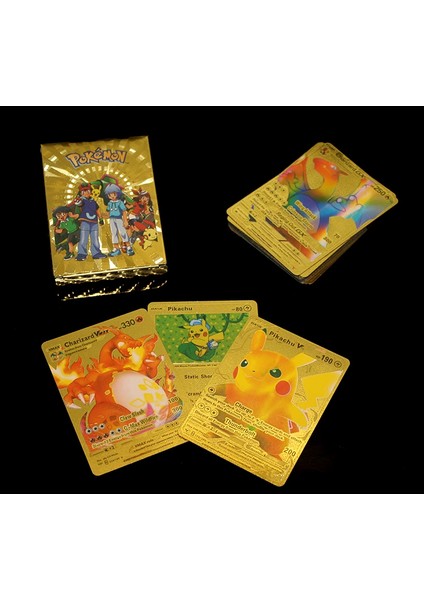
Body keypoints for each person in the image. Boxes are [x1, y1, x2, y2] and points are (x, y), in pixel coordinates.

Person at [75, 183, 107, 261]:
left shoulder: (93, 201)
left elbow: (97, 210)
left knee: (95, 238)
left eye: (88, 191)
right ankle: (81, 253)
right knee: (83, 238)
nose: (86, 193)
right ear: (81, 193)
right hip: (85, 221)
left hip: (94, 222)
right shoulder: (81, 200)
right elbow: (78, 205)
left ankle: (96, 253)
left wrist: (100, 219)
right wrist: (78, 201)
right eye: (84, 191)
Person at [104, 183, 135, 257]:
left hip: (119, 219)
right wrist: (104, 216)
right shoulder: (109, 203)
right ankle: (116, 248)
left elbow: (124, 212)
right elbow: (108, 212)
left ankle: (128, 247)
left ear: (117, 194)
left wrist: (125, 221)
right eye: (110, 195)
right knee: (114, 233)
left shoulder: (120, 202)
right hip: (112, 220)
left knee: (123, 233)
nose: (112, 196)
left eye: (114, 194)